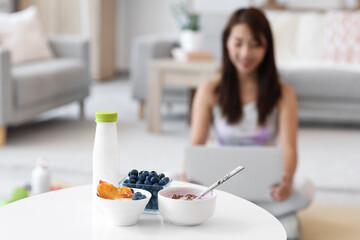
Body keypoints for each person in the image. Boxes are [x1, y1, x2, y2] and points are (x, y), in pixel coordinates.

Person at [189, 8, 298, 202]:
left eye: (255, 44)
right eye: (238, 44)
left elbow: (289, 149)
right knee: (172, 181)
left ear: (267, 47)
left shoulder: (284, 93)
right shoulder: (208, 90)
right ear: (227, 43)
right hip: (221, 183)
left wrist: (285, 181)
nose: (246, 53)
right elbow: (196, 145)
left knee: (304, 193)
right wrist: (188, 174)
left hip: (265, 185)